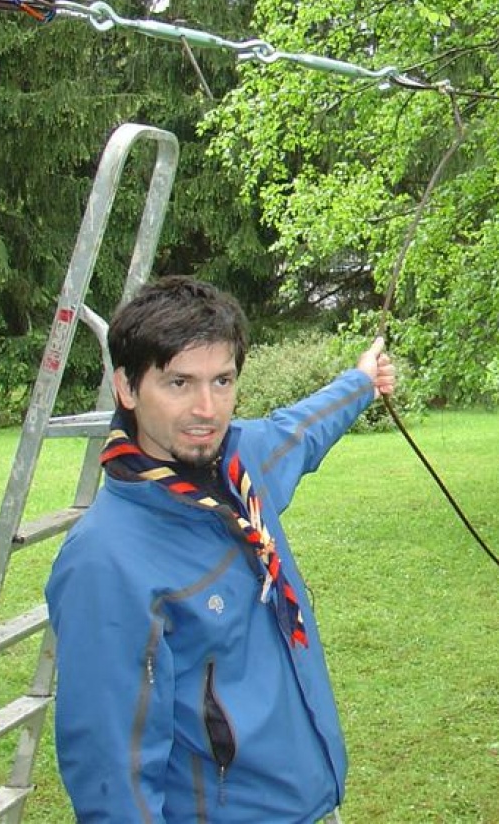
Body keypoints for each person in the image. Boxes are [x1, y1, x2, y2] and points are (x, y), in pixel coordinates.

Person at [45, 276, 395, 823]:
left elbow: (301, 430)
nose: (207, 408)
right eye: (179, 383)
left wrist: (361, 383)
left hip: (308, 804)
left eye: (223, 380)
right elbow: (112, 777)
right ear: (127, 388)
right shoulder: (105, 560)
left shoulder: (241, 465)